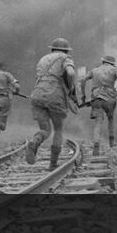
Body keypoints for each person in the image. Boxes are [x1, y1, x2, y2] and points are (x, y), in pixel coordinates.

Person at [26, 38, 77, 170]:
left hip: (37, 94)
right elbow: (71, 73)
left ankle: (34, 142)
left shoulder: (42, 59)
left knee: (45, 130)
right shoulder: (66, 57)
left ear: (52, 49)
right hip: (56, 95)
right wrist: (70, 88)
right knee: (58, 130)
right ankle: (52, 164)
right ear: (66, 50)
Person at [80, 55, 117, 155]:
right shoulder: (114, 69)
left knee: (98, 122)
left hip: (96, 98)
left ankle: (96, 144)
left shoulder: (94, 70)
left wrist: (83, 95)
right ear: (112, 63)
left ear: (103, 62)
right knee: (110, 118)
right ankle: (111, 142)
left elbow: (83, 79)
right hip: (109, 98)